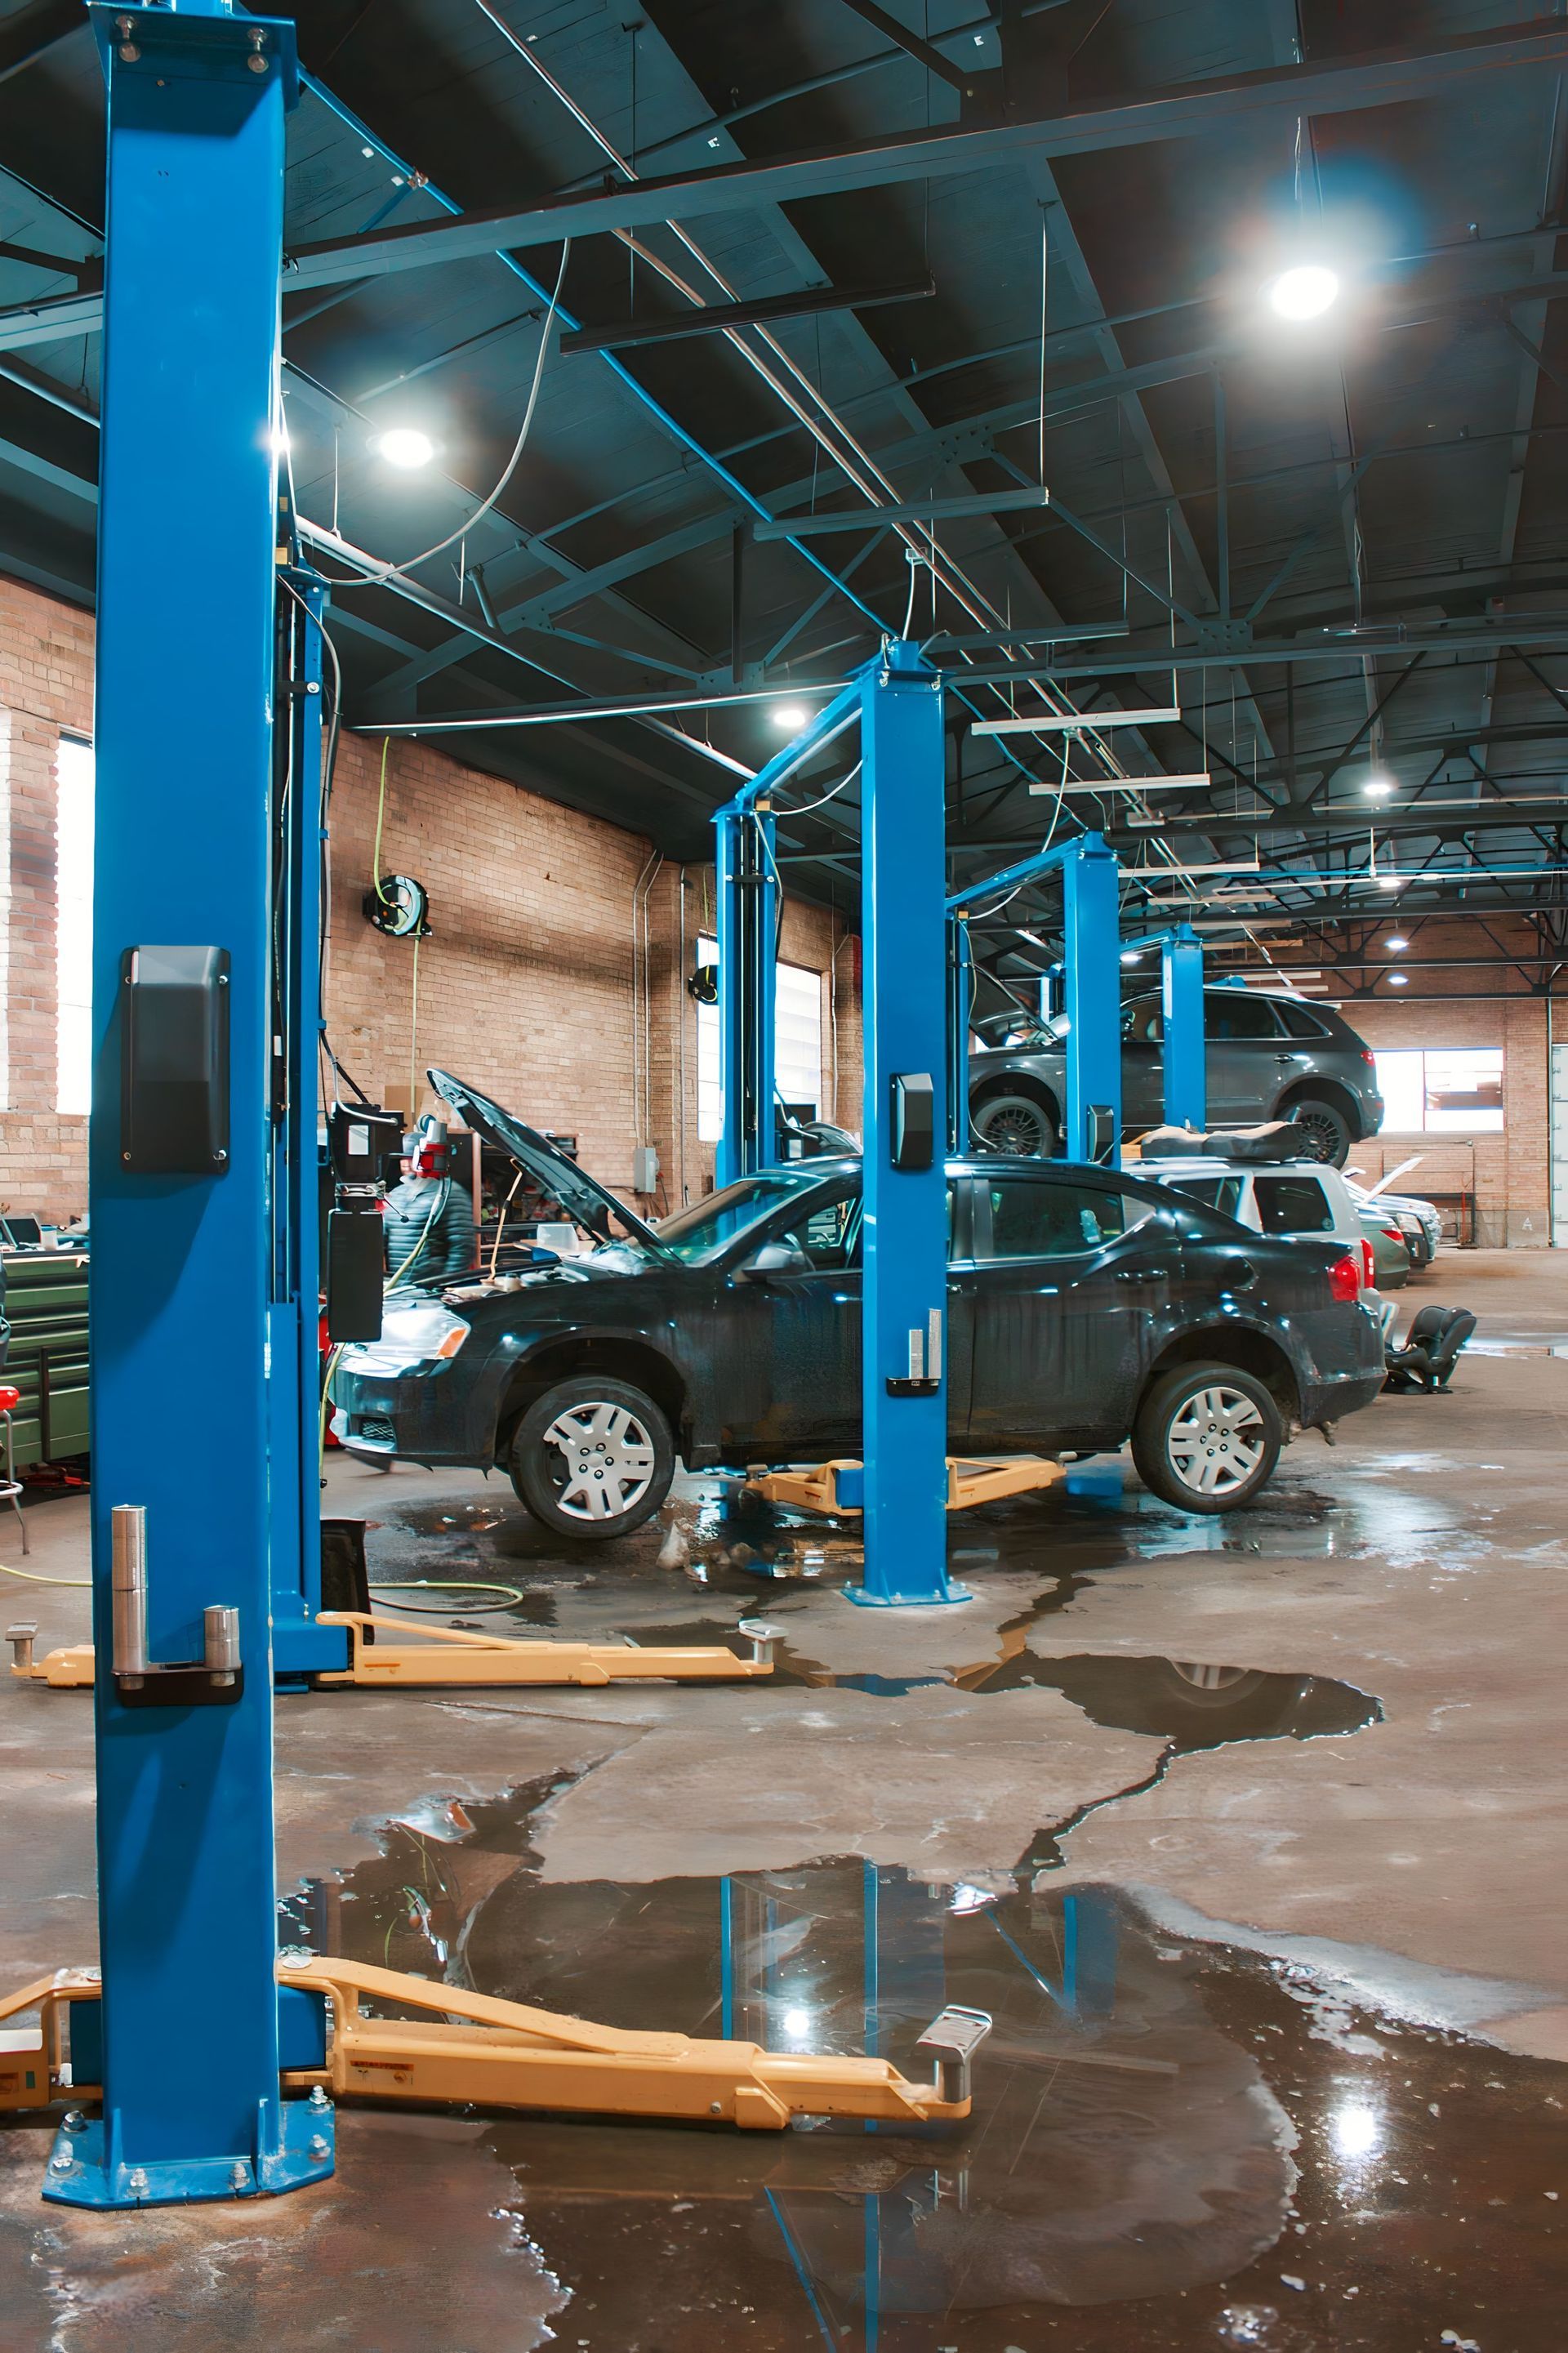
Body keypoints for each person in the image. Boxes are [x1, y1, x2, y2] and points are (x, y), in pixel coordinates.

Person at [382, 1124, 475, 1286]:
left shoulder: (449, 1193)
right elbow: (382, 1239)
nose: (405, 1163)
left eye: (411, 1157)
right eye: (402, 1158)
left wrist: (443, 1285)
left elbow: (463, 1246)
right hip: (400, 1288)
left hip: (431, 1289)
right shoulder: (396, 1194)